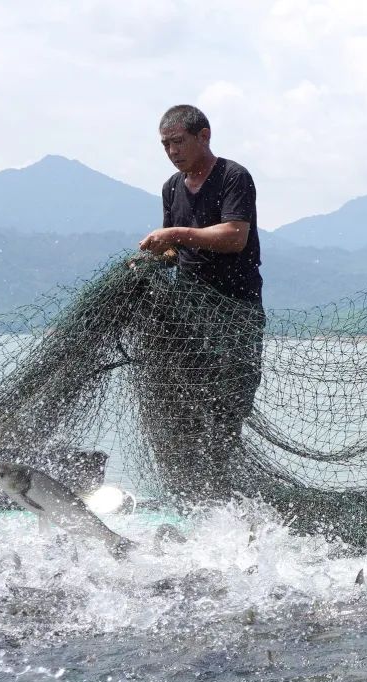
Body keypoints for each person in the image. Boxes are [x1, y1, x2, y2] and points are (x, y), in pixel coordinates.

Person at [137, 104, 265, 503]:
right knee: (182, 407)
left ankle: (223, 494)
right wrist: (158, 253)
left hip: (235, 311)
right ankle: (191, 495)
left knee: (227, 410)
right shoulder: (172, 188)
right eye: (165, 145)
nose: (172, 151)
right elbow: (176, 251)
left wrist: (175, 232)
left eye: (178, 142)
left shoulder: (233, 177)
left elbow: (234, 236)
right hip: (188, 315)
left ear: (204, 136)